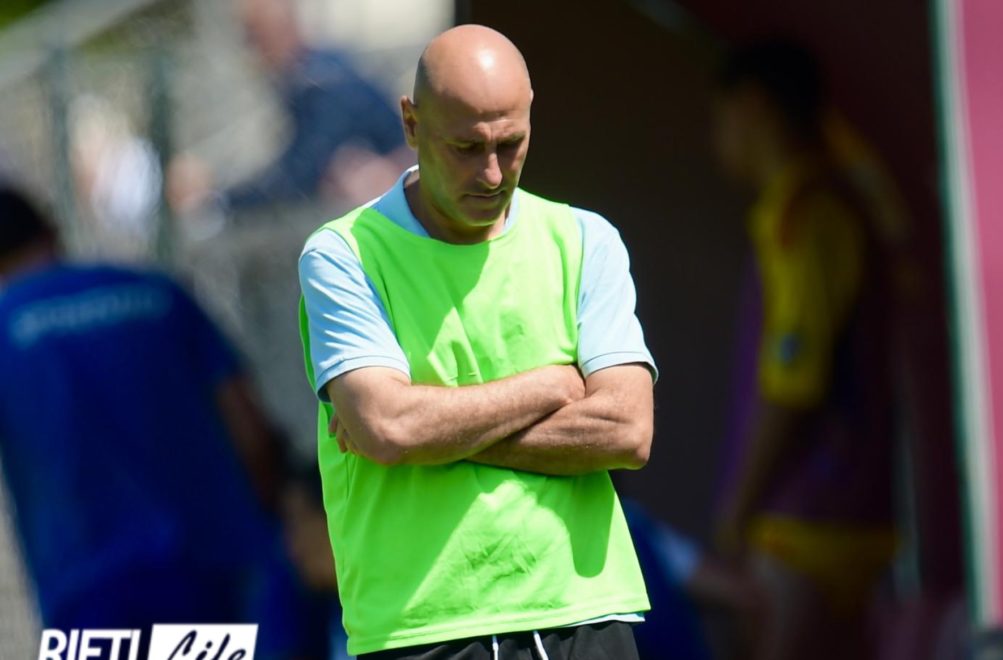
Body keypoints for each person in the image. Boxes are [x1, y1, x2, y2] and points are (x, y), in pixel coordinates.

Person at [298, 24, 656, 660]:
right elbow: (389, 428)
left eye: (510, 144)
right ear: (411, 124)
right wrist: (550, 386)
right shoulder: (343, 255)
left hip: (587, 612)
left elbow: (627, 431)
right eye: (466, 147)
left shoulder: (586, 239)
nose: (491, 173)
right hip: (422, 627)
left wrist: (429, 433)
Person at [0, 186, 319, 657]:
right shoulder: (158, 293)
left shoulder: (5, 325)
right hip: (209, 571)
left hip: (87, 589)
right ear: (51, 231)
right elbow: (248, 426)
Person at [711, 40, 900, 659]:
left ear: (753, 106)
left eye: (721, 115)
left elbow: (793, 380)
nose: (719, 137)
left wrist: (737, 511)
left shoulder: (804, 211)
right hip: (841, 515)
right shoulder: (826, 202)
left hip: (811, 524)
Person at [170, 0, 411, 216]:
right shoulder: (307, 77)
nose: (251, 50)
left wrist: (219, 198)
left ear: (283, 29)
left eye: (255, 36)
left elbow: (299, 173)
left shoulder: (322, 81)